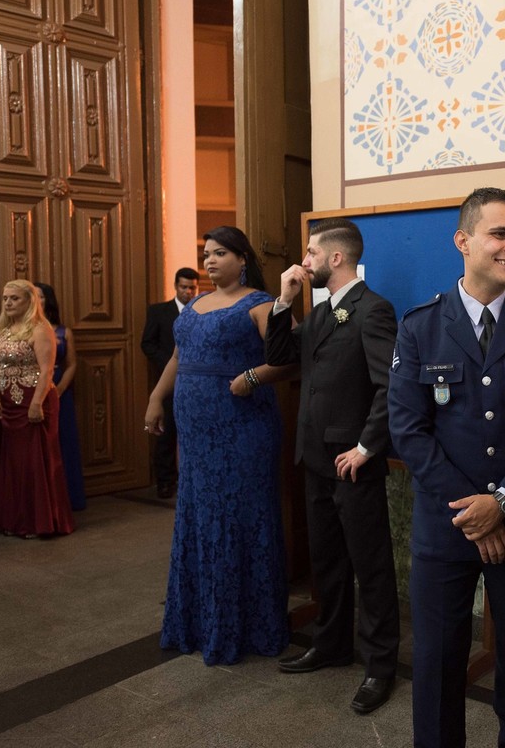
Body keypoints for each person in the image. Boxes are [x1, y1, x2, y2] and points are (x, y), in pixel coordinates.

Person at [388, 188, 505, 748]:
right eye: (500, 234)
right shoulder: (420, 326)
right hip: (446, 527)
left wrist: (503, 505)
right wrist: (474, 512)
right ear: (463, 240)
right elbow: (409, 429)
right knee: (438, 664)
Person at [264, 218, 401, 715]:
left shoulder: (374, 310)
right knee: (327, 560)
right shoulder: (320, 314)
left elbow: (390, 385)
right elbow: (281, 356)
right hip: (315, 458)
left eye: (311, 253)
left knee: (371, 565)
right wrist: (283, 300)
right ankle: (332, 644)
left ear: (335, 258)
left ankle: (380, 664)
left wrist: (368, 447)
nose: (305, 260)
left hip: (353, 462)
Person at [145, 226, 288, 665]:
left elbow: (290, 357)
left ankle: (246, 626)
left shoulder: (261, 303)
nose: (209, 261)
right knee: (200, 517)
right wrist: (155, 399)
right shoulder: (194, 304)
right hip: (196, 432)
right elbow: (177, 356)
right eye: (206, 254)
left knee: (238, 517)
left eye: (219, 253)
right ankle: (200, 620)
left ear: (242, 258)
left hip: (243, 427)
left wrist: (251, 378)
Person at [0, 279, 75, 539]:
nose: (8, 303)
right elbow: (1, 366)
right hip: (9, 401)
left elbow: (47, 369)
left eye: (14, 298)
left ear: (29, 301)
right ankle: (16, 520)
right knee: (13, 461)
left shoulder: (40, 328)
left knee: (35, 460)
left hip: (34, 399)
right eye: (5, 298)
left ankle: (40, 521)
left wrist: (36, 402)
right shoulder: (5, 329)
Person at [141, 268, 199, 498]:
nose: (187, 291)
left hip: (195, 381)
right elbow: (147, 343)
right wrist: (170, 365)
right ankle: (165, 481)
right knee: (165, 434)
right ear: (176, 286)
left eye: (191, 287)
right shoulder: (158, 311)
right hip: (168, 382)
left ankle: (191, 479)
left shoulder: (201, 310)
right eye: (183, 287)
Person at [35, 282, 85, 511]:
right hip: (30, 392)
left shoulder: (64, 332)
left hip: (58, 391)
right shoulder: (23, 331)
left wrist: (60, 388)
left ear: (48, 300)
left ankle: (66, 500)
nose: (37, 300)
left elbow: (72, 364)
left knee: (62, 443)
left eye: (41, 296)